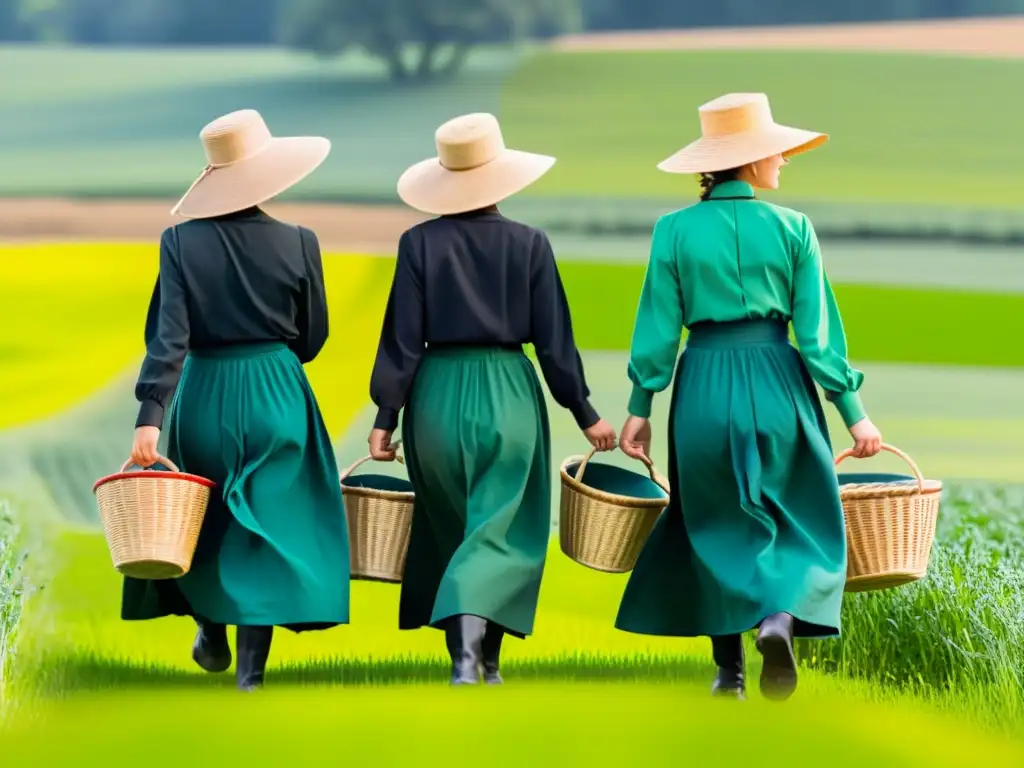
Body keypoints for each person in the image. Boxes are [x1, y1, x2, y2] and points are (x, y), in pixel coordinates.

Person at [613, 93, 883, 702]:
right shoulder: (794, 228)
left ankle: (729, 674)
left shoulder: (673, 230)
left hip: (703, 385)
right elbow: (817, 339)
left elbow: (657, 331)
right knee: (799, 514)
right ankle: (778, 620)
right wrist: (854, 415)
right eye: (775, 151)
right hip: (778, 383)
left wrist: (639, 407)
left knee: (714, 524)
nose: (784, 159)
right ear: (752, 161)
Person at [367, 112, 616, 686]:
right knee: (503, 527)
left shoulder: (417, 244)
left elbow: (402, 339)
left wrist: (386, 416)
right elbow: (554, 342)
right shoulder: (529, 243)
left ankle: (478, 659)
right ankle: (474, 660)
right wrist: (585, 413)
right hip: (508, 390)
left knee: (458, 528)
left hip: (436, 394)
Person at [123, 109, 350, 692]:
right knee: (266, 525)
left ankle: (210, 630)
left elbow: (167, 337)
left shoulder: (178, 243)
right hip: (277, 390)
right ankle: (251, 674)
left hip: (205, 391)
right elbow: (312, 338)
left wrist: (151, 414)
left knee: (208, 520)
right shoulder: (301, 242)